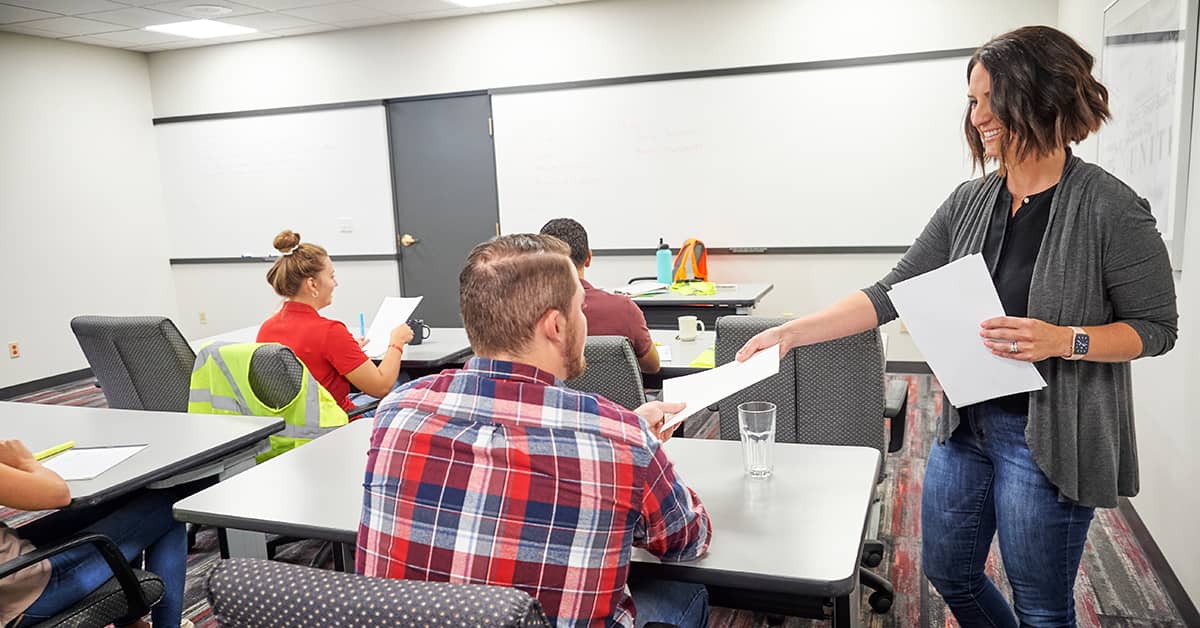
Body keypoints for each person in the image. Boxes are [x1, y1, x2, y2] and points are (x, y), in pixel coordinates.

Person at [736, 26, 1177, 627]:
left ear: (1038, 95)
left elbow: (1155, 328)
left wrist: (1064, 340)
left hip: (1048, 438)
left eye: (984, 100)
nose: (975, 118)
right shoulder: (969, 201)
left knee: (1043, 609)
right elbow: (891, 292)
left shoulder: (1110, 208)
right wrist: (792, 333)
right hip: (968, 425)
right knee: (951, 574)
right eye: (971, 102)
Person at [356, 234, 711, 627]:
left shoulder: (397, 410)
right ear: (556, 326)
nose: (586, 320)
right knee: (684, 593)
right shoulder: (620, 439)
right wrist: (634, 445)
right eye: (581, 308)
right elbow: (687, 540)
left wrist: (626, 432)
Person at [0, 440, 187, 628]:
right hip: (24, 592)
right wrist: (26, 462)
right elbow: (59, 494)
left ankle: (133, 624)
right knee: (168, 507)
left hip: (10, 568)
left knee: (125, 497)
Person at [258, 230, 413, 415]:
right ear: (312, 284)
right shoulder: (330, 332)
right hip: (337, 424)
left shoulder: (266, 329)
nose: (335, 284)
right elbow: (381, 387)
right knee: (403, 381)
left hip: (293, 428)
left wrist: (347, 350)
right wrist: (397, 341)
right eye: (331, 276)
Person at [539, 218, 661, 373]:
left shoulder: (527, 314)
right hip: (617, 397)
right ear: (588, 258)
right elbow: (652, 367)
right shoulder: (623, 309)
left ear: (541, 262)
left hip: (552, 397)